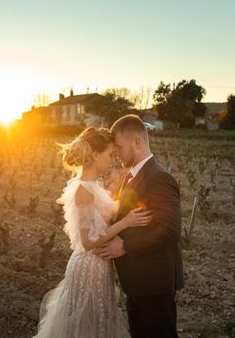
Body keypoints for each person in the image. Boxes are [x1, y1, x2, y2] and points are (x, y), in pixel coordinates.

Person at [33, 127, 153, 338]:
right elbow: (89, 241)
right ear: (95, 155)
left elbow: (103, 217)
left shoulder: (92, 186)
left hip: (98, 267)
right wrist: (126, 222)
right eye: (109, 155)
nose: (112, 160)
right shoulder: (83, 190)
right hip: (88, 267)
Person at [93, 114, 184, 337]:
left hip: (154, 283)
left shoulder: (159, 178)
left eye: (119, 147)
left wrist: (125, 247)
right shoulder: (130, 176)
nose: (115, 154)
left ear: (137, 142)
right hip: (136, 282)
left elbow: (170, 230)